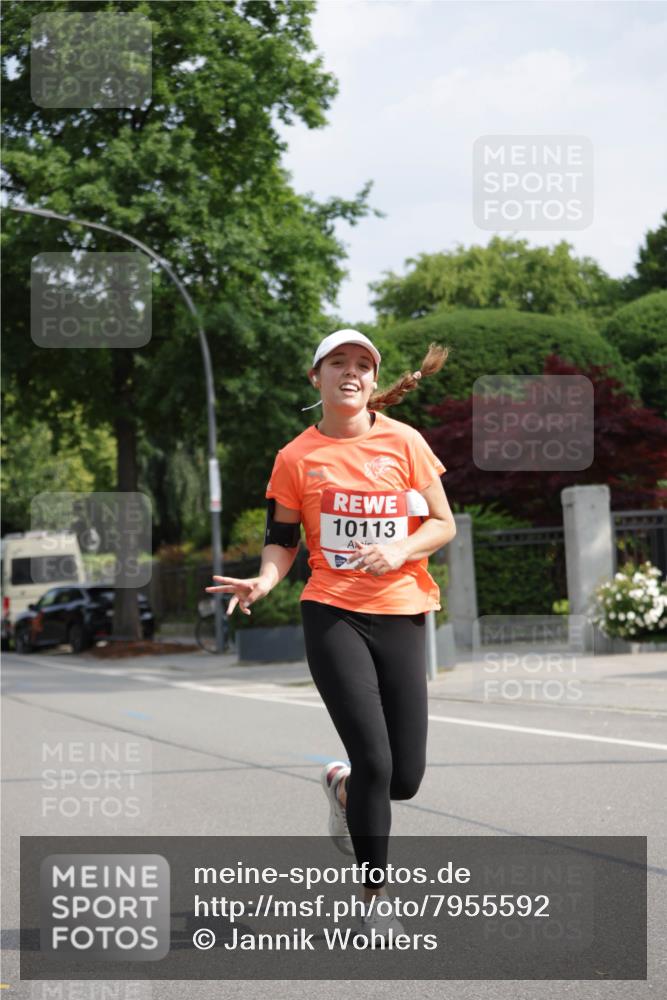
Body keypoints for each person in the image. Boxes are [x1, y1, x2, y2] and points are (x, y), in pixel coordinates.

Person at [206, 329, 456, 944]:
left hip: (401, 611)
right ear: (315, 378)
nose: (351, 372)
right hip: (332, 612)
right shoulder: (297, 457)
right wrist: (265, 580)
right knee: (375, 759)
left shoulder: (406, 442)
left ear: (374, 382)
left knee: (404, 779)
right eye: (337, 363)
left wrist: (400, 545)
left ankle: (341, 787)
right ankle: (375, 899)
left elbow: (443, 524)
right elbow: (283, 539)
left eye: (362, 365)